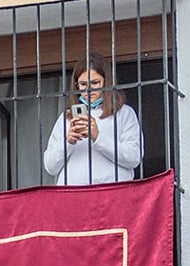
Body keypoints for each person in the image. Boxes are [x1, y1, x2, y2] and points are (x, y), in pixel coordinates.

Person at [43, 52, 143, 185]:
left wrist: (98, 137)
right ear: (76, 85)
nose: (88, 90)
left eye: (95, 83)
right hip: (74, 195)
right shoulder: (66, 118)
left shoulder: (124, 113)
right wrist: (68, 142)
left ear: (107, 81)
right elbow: (50, 167)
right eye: (83, 84)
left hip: (112, 193)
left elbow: (134, 157)